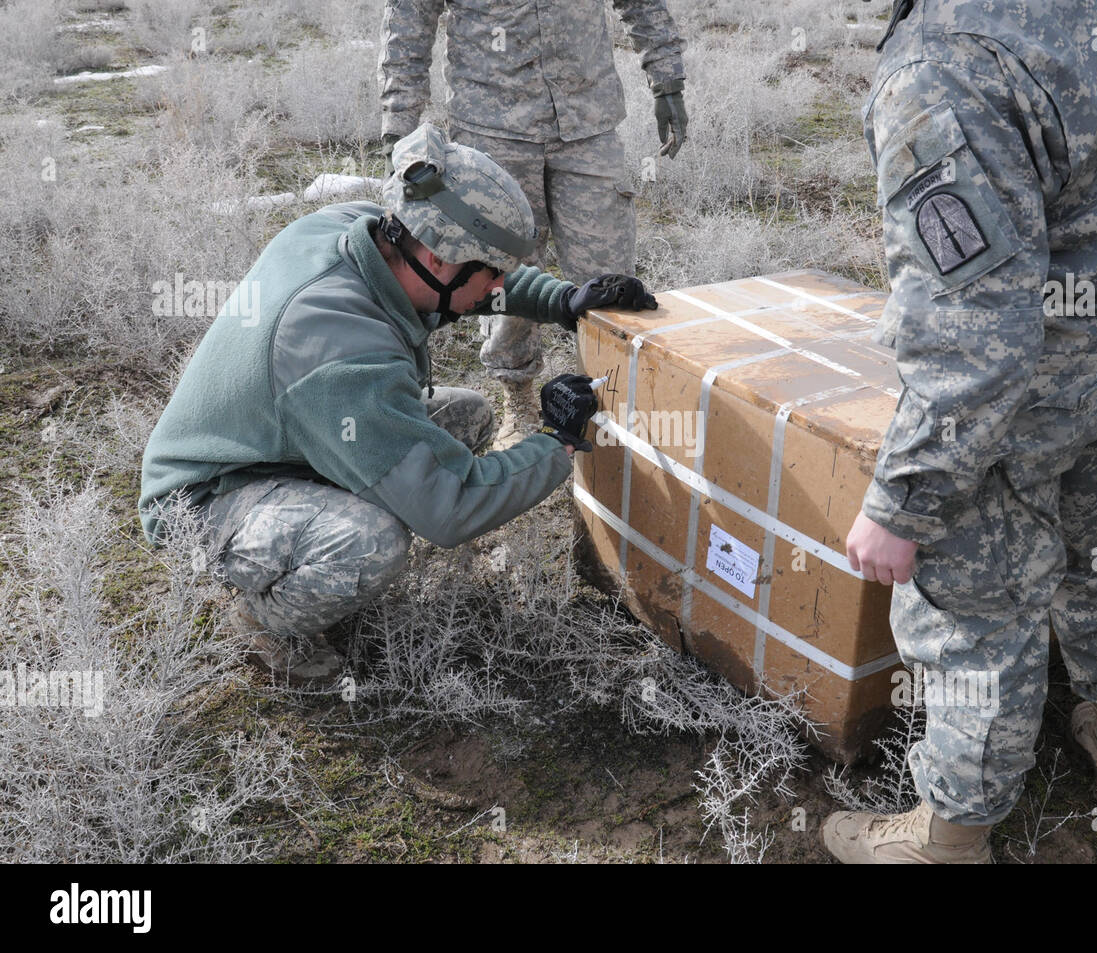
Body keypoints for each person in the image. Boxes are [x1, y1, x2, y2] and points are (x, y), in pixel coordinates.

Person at [825, 0, 1097, 863]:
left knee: (978, 610)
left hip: (1032, 396)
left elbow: (974, 338)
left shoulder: (941, 65)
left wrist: (905, 501)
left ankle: (950, 835)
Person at [138, 125, 658, 686]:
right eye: (493, 274)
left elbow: (475, 285)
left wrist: (562, 299)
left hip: (286, 438)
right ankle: (263, 623)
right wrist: (559, 439)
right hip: (203, 501)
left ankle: (313, 533)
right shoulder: (343, 355)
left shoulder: (363, 227)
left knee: (467, 416)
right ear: (438, 259)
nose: (498, 289)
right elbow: (451, 509)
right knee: (372, 541)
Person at [377, 0, 687, 449]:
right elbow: (408, 19)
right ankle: (518, 397)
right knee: (498, 277)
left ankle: (611, 399)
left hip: (588, 121)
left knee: (610, 281)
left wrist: (667, 80)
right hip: (493, 129)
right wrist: (398, 128)